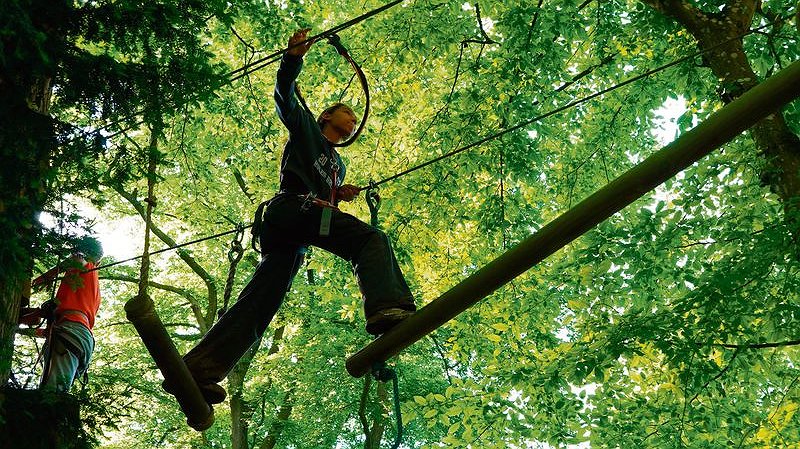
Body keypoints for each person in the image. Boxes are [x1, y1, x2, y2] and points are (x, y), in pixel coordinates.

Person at [168, 29, 416, 405]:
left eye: (353, 118)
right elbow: (284, 95)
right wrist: (293, 59)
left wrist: (337, 193)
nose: (351, 121)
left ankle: (200, 368)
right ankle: (387, 307)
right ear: (326, 116)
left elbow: (321, 188)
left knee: (262, 300)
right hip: (290, 210)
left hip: (296, 233)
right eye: (345, 113)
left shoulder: (338, 164)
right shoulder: (305, 131)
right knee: (370, 240)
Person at [27, 236, 103, 392]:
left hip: (72, 334)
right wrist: (19, 328)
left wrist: (47, 276)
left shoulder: (88, 269)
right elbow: (48, 331)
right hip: (72, 335)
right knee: (50, 392)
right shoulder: (83, 295)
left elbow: (77, 260)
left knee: (53, 396)